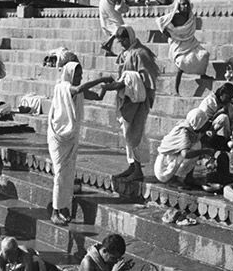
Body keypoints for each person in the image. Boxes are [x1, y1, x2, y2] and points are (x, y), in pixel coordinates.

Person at [47, 61, 112, 225]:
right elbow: (78, 90)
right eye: (77, 74)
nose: (80, 77)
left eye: (81, 74)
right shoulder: (62, 87)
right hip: (58, 137)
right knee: (60, 172)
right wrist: (101, 79)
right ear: (69, 74)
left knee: (68, 172)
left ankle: (63, 208)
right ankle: (54, 212)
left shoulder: (77, 91)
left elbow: (97, 96)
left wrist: (105, 88)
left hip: (71, 135)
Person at [101, 26, 160, 181]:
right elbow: (124, 76)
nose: (122, 43)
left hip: (139, 100)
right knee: (127, 132)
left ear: (131, 37)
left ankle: (138, 170)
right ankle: (132, 165)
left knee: (136, 133)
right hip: (127, 99)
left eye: (124, 40)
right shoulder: (125, 53)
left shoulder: (141, 53)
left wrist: (124, 82)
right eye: (120, 41)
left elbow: (147, 78)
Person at [157, 0, 211, 92]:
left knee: (204, 55)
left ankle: (203, 75)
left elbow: (191, 29)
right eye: (183, 4)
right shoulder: (175, 17)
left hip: (190, 42)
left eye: (187, 4)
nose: (185, 6)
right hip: (178, 45)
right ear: (179, 6)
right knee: (181, 62)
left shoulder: (191, 17)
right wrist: (171, 35)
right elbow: (160, 22)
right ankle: (176, 89)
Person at [154, 108, 215, 186]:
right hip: (163, 171)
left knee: (197, 144)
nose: (206, 125)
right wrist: (205, 151)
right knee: (196, 148)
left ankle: (189, 178)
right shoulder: (184, 132)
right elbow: (185, 154)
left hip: (169, 162)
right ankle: (173, 180)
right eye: (204, 123)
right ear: (198, 123)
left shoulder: (190, 128)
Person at [199, 83, 233, 149]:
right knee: (223, 117)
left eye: (231, 98)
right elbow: (204, 122)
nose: (229, 100)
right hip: (208, 129)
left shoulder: (228, 102)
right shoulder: (209, 102)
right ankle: (225, 143)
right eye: (228, 97)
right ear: (221, 94)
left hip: (228, 131)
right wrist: (219, 112)